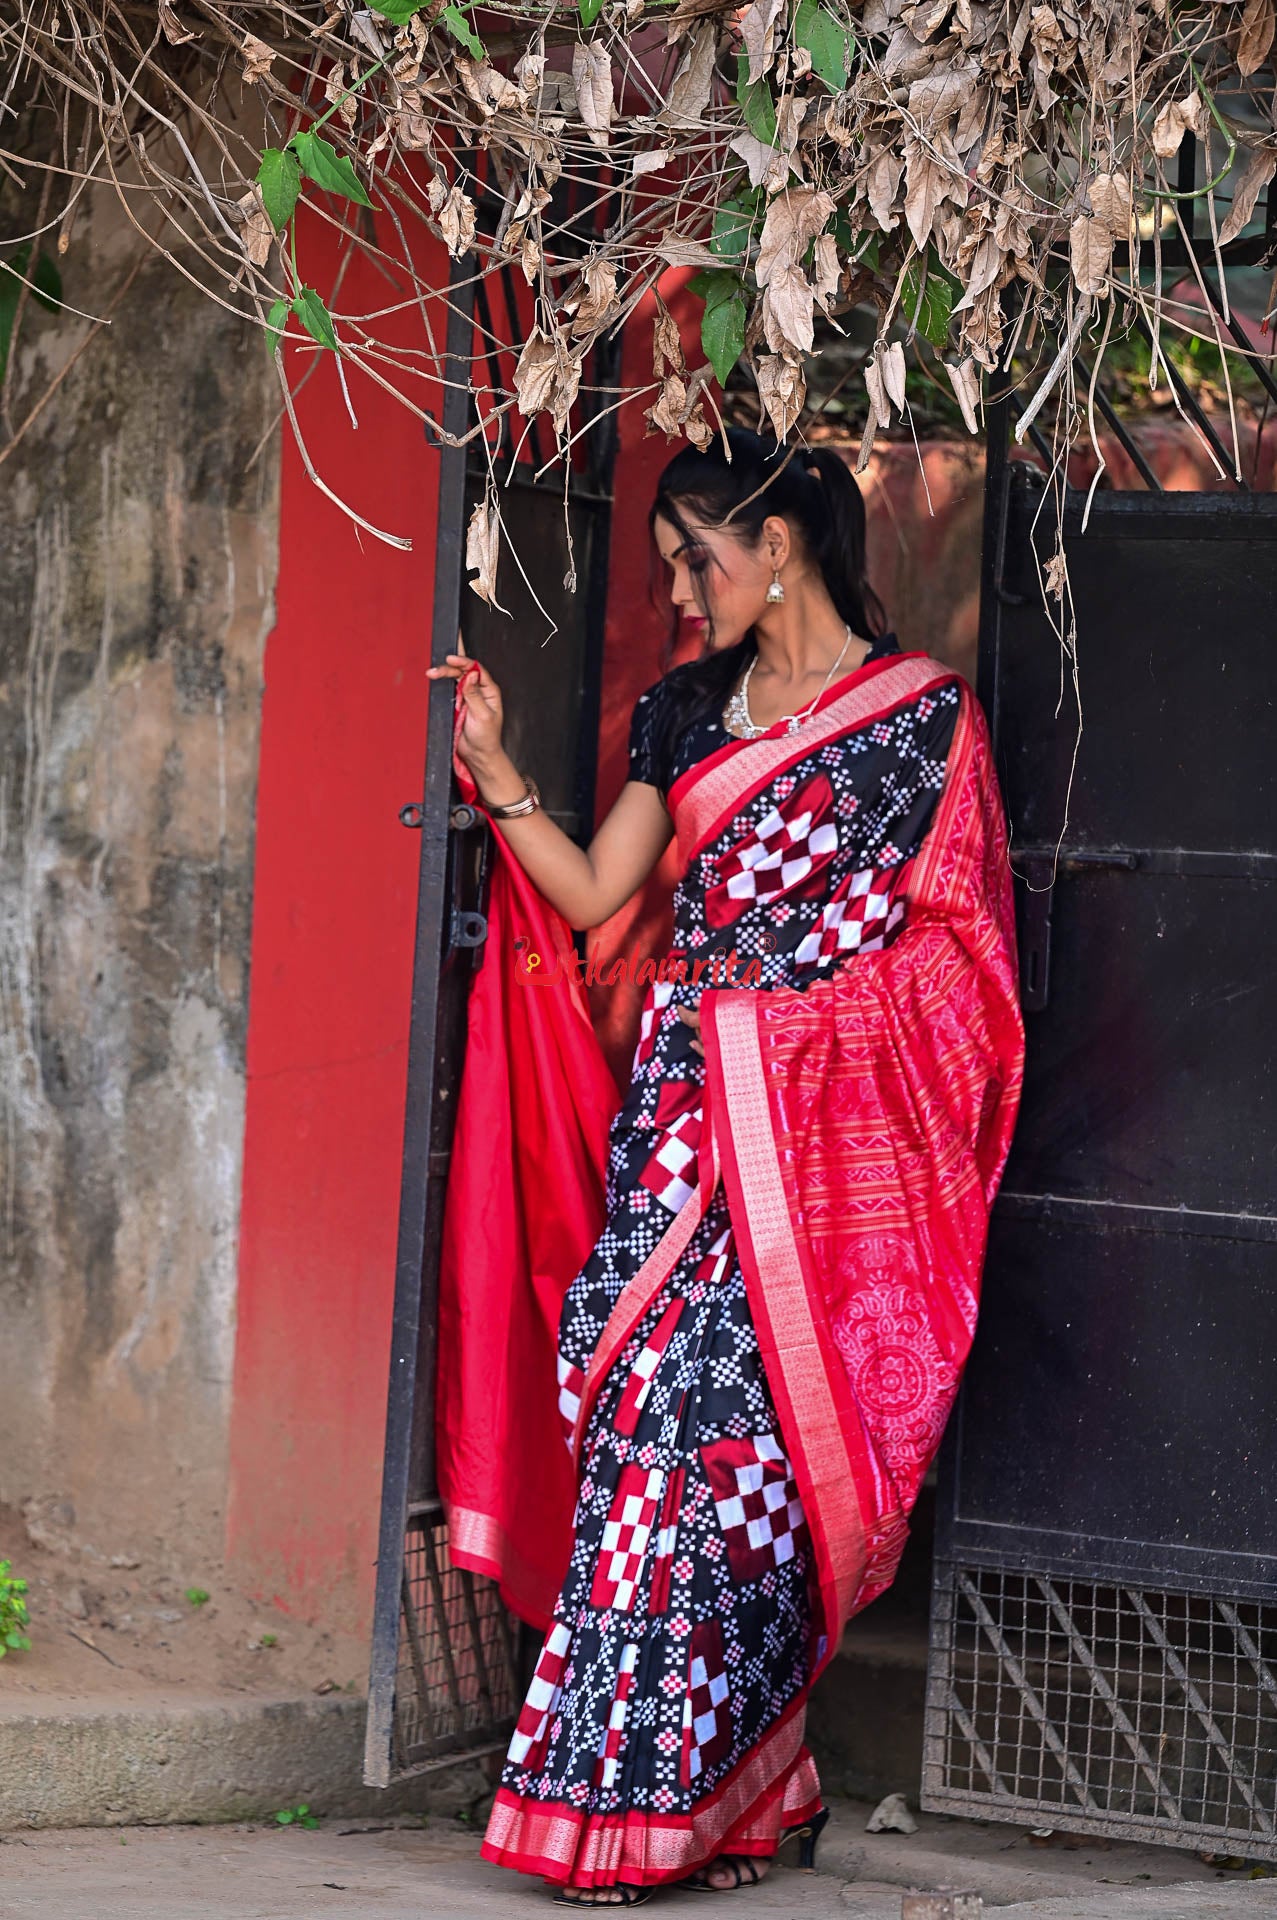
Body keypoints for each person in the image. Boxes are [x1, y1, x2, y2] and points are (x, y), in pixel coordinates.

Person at [428, 428, 1024, 1906]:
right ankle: (624, 1807)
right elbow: (590, 899)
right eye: (671, 565)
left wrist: (793, 1031)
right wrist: (498, 772)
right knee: (646, 1439)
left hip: (820, 1163)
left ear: (783, 546)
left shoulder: (919, 727)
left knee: (757, 1478)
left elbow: (960, 968)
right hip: (684, 1140)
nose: (682, 591)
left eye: (698, 558)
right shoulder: (686, 716)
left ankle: (739, 1789)